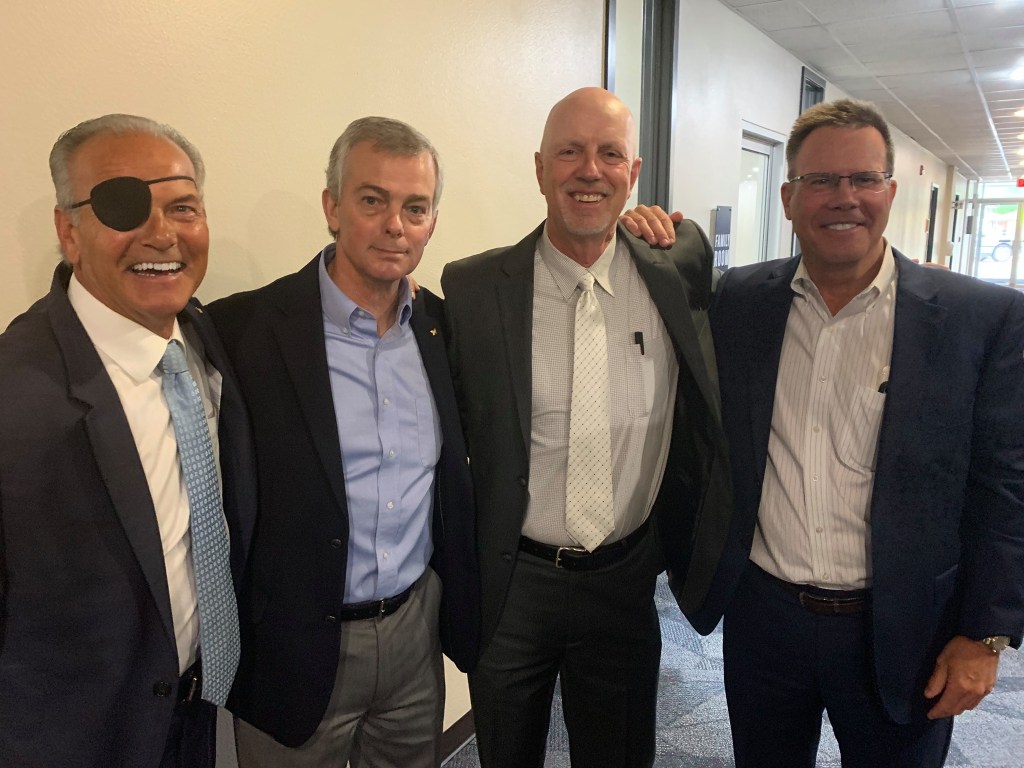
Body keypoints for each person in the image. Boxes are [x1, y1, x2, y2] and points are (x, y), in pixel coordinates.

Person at [636, 98, 1024, 767]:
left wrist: (987, 633)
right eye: (820, 180)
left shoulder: (980, 319)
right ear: (788, 198)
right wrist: (640, 227)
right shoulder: (740, 302)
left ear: (889, 193)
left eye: (863, 179)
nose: (844, 197)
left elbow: (1006, 487)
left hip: (905, 628)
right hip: (765, 620)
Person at [441, 87, 731, 768]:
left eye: (610, 154)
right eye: (569, 152)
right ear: (540, 168)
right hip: (514, 586)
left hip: (626, 580)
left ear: (633, 174)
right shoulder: (474, 290)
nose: (589, 170)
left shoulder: (677, 268)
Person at [207, 117, 480, 768]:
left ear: (432, 223)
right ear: (332, 208)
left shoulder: (440, 329)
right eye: (372, 200)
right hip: (297, 646)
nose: (395, 226)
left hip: (413, 636)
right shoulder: (243, 330)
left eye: (415, 208)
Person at [0, 114, 256, 767]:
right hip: (81, 739)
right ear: (69, 231)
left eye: (183, 207)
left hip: (199, 712)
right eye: (124, 206)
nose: (162, 233)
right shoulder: (15, 398)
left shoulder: (205, 337)